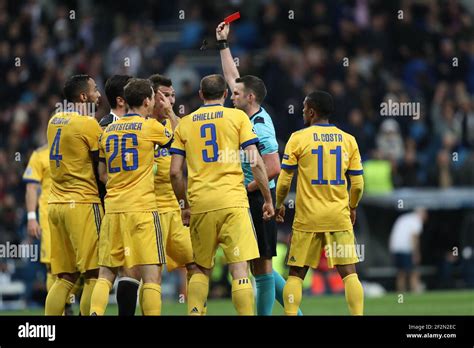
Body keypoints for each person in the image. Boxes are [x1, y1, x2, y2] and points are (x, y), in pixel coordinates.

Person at [170, 74, 275, 315]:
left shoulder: (186, 123)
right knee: (239, 269)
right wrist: (267, 199)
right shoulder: (237, 117)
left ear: (200, 94)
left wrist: (184, 205)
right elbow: (256, 161)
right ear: (225, 94)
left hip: (200, 204)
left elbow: (175, 172)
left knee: (199, 269)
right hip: (233, 203)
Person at [216, 21, 294, 316]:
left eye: (236, 94)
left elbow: (273, 167)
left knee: (261, 267)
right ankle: (295, 312)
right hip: (250, 194)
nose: (230, 95)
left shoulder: (259, 126)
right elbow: (233, 77)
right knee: (256, 264)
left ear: (249, 98)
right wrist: (223, 45)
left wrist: (244, 188)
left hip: (258, 196)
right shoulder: (244, 114)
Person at [275, 91, 365, 315]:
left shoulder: (298, 138)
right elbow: (358, 184)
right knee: (349, 273)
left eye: (305, 107)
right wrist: (352, 206)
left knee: (296, 274)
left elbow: (284, 180)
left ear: (312, 111)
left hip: (308, 218)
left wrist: (278, 204)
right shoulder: (348, 140)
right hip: (338, 215)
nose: (303, 111)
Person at [89, 78, 173, 315]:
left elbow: (102, 173)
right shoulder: (151, 127)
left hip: (113, 208)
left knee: (105, 274)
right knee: (152, 275)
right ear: (147, 101)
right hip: (143, 209)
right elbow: (181, 141)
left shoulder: (106, 131)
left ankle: (95, 312)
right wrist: (169, 112)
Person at [45, 74, 103, 316]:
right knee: (95, 273)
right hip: (82, 204)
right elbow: (100, 168)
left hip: (56, 205)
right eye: (95, 90)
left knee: (65, 276)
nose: (99, 94)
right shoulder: (88, 124)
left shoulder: (54, 121)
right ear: (83, 96)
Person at [148, 73, 198, 311]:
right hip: (151, 209)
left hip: (178, 209)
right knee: (151, 272)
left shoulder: (176, 122)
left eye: (172, 95)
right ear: (151, 97)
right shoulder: (143, 125)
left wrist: (169, 113)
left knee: (194, 264)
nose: (169, 100)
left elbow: (188, 142)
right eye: (164, 96)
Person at [98, 74, 142, 316]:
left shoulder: (133, 125)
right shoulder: (104, 126)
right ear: (122, 99)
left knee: (126, 269)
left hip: (123, 206)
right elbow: (99, 173)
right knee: (107, 271)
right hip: (111, 207)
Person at [389, 208, 427, 293]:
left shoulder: (403, 218)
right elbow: (414, 237)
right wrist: (416, 253)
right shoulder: (416, 221)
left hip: (396, 248)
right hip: (406, 248)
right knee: (413, 271)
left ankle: (400, 293)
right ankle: (415, 291)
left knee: (401, 272)